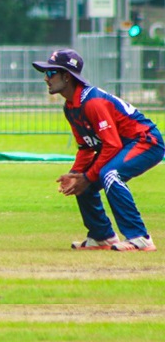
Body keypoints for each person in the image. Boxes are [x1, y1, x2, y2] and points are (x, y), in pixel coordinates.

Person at [33, 48, 164, 251]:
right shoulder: (70, 107)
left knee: (109, 174)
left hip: (146, 141)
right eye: (45, 73)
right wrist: (76, 174)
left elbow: (112, 145)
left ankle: (140, 238)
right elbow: (85, 147)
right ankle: (102, 236)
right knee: (82, 179)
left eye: (51, 73)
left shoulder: (92, 102)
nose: (46, 79)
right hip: (124, 144)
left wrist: (86, 177)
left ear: (67, 76)